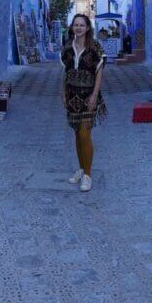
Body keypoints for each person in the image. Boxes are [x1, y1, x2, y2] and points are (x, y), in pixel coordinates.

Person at [60, 14, 107, 192]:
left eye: (82, 25)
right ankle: (81, 168)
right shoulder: (67, 48)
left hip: (88, 96)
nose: (78, 28)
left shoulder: (95, 47)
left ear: (87, 28)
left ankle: (87, 175)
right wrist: (63, 93)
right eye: (76, 25)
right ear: (72, 27)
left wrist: (95, 95)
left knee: (84, 134)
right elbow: (65, 72)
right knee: (76, 134)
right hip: (72, 95)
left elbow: (99, 71)